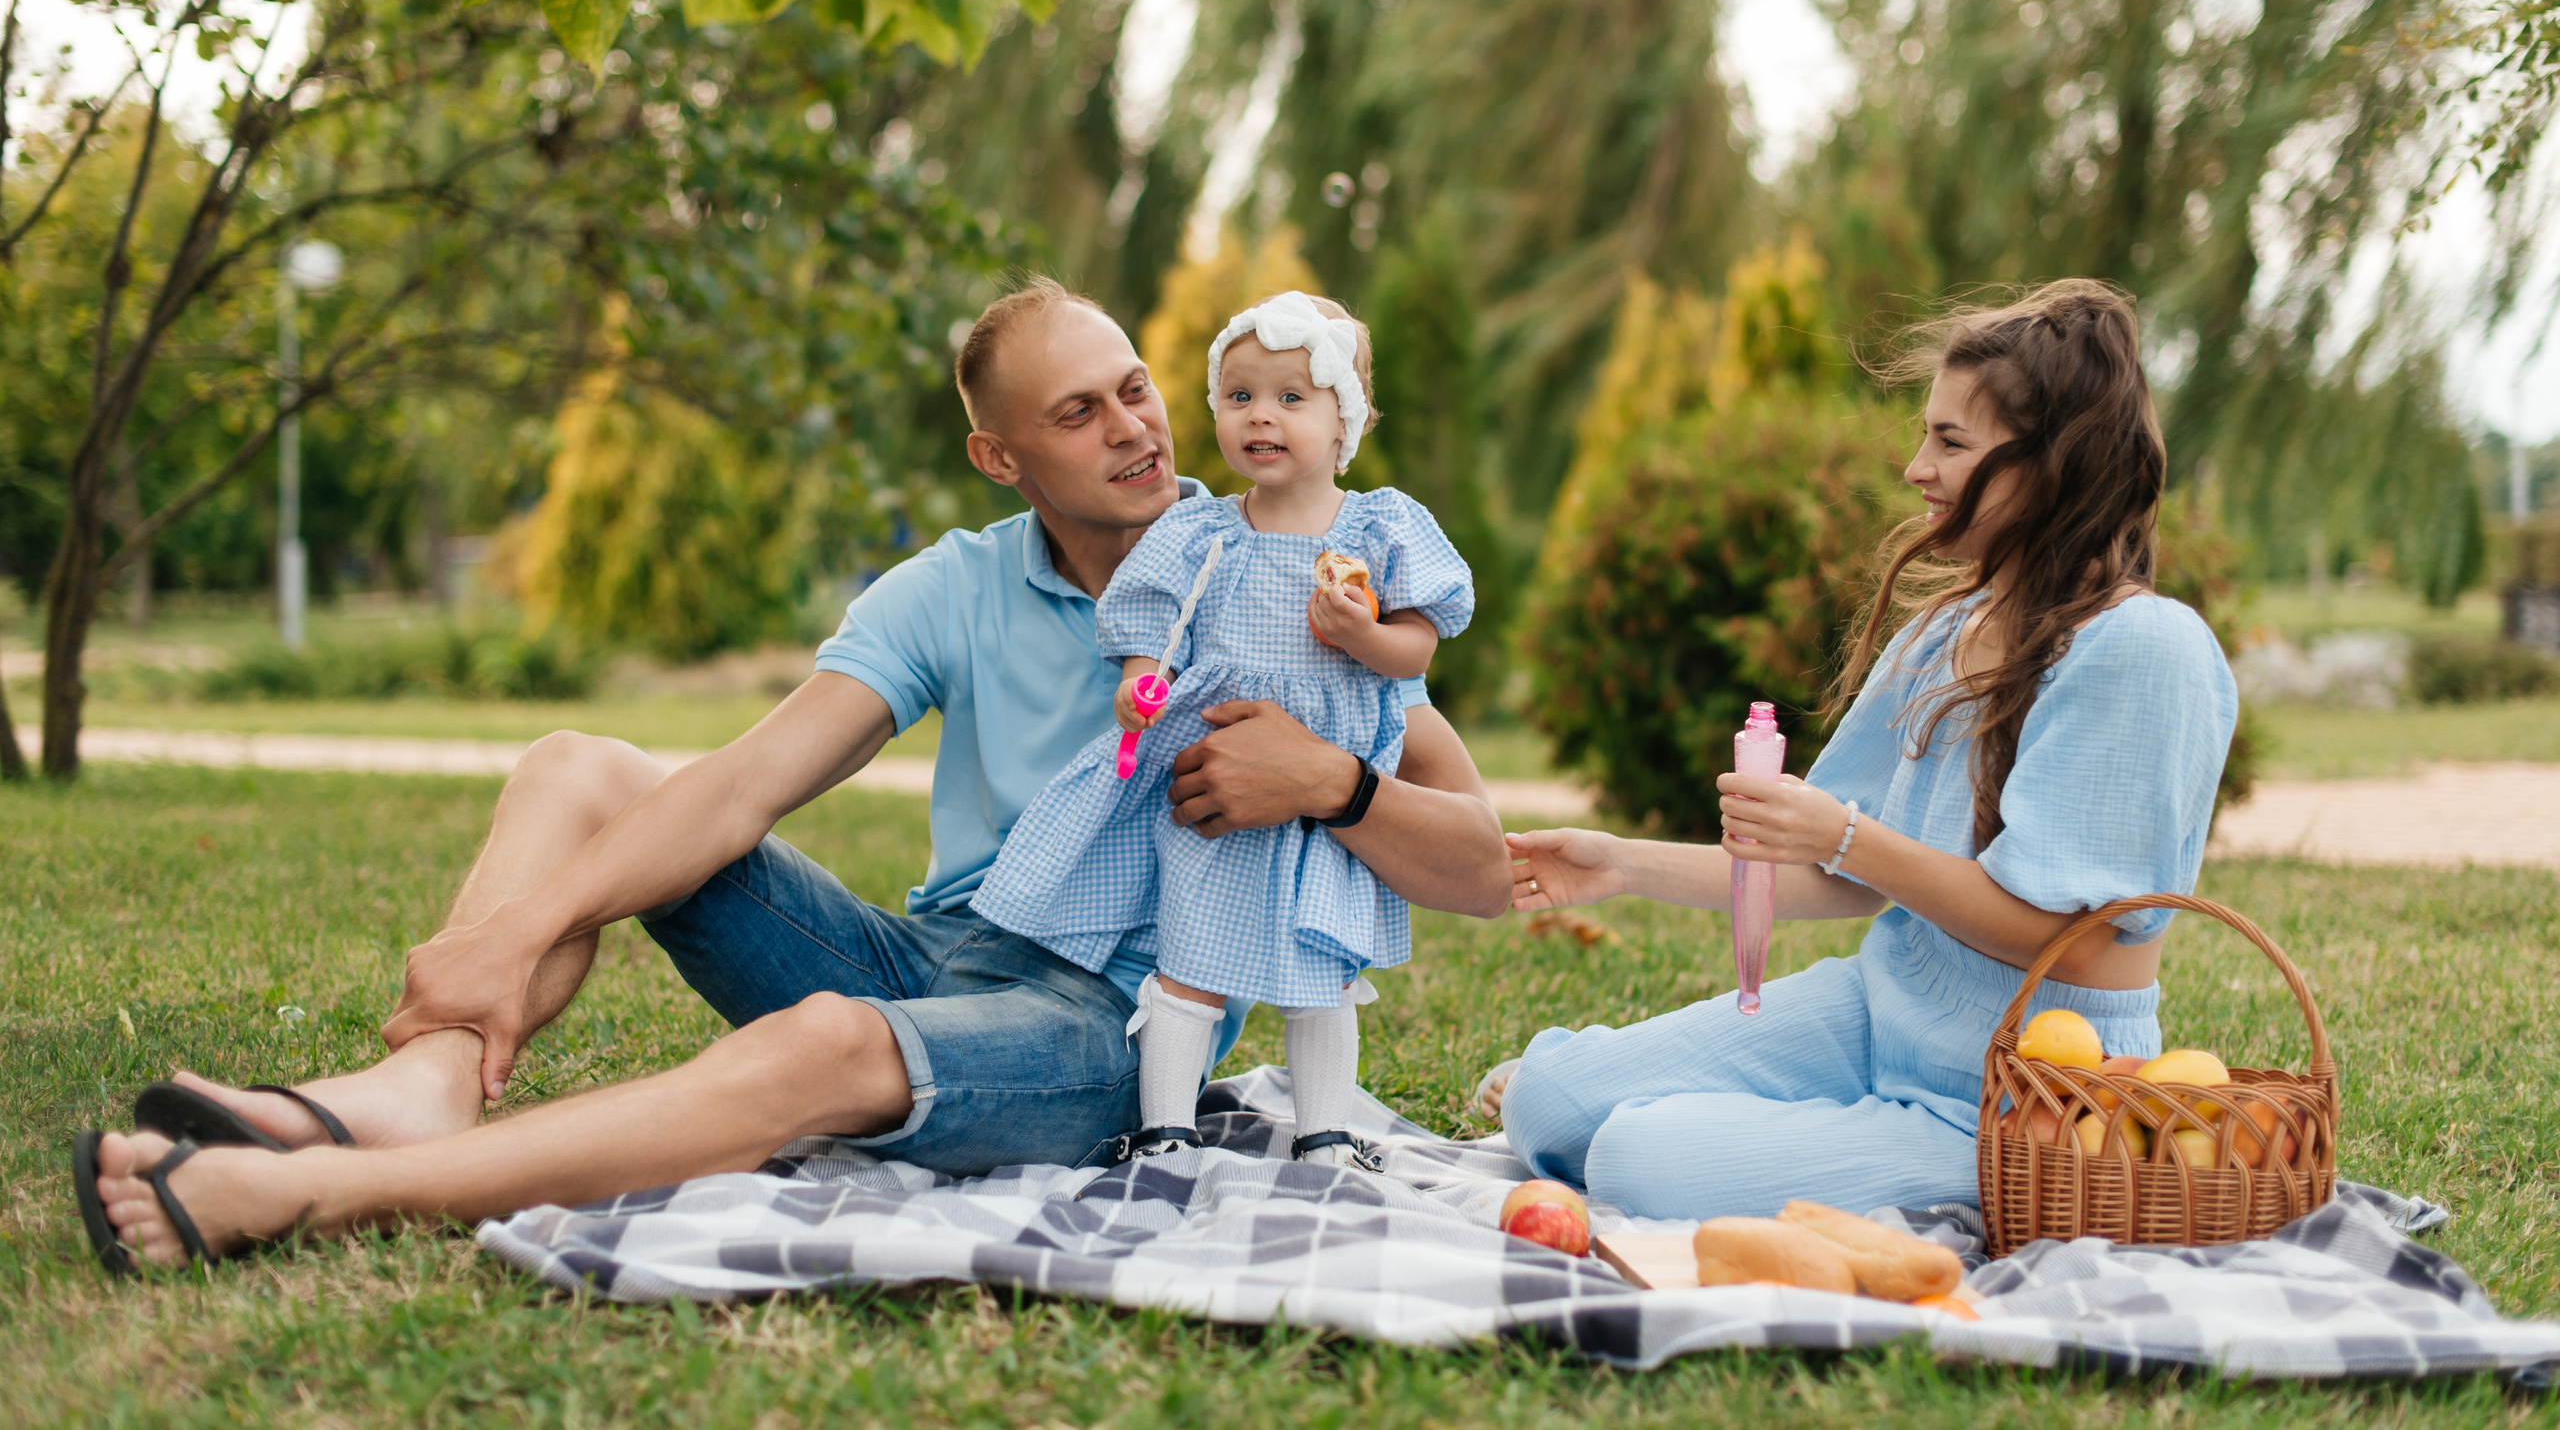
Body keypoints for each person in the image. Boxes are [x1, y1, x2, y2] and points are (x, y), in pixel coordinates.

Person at [74, 280, 1511, 1271]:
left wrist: (1332, 784)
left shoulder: (1286, 574)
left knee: (823, 1041)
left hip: (1101, 1024)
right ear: (999, 455)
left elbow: (1481, 866)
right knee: (585, 765)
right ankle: (427, 1088)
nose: (1136, 426)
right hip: (929, 947)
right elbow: (744, 784)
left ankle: (324, 1187)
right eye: (1079, 413)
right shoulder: (953, 586)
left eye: (1137, 387)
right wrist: (504, 939)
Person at [1488, 281, 2237, 1221]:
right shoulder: (1949, 629)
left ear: (2054, 467)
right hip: (1877, 1012)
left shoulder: (2142, 650)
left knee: (1637, 1158)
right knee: (1547, 1102)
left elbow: (2073, 944)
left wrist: (1843, 832)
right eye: (1926, 434)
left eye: (1952, 443)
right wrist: (1620, 864)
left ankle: (1793, 1143)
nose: (1918, 468)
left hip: (2019, 1090)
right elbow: (1842, 875)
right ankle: (1769, 1122)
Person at [974, 291, 1474, 1169]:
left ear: (1343, 417)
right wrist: (1141, 687)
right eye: (1239, 397)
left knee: (1324, 969)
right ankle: (1167, 1125)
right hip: (1213, 778)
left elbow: (1415, 647)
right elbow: (1148, 629)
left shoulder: (1378, 527)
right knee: (1188, 954)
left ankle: (1327, 1131)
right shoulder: (1203, 531)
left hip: (1325, 790)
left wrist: (1364, 634)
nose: (1261, 418)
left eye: (1291, 398)